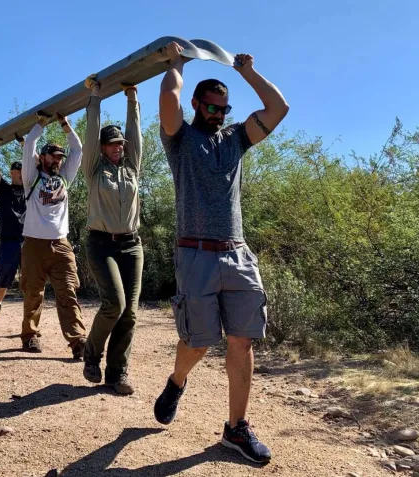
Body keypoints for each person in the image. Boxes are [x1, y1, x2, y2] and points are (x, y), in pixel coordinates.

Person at [153, 42, 289, 464]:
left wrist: (248, 71)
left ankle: (235, 429)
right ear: (198, 104)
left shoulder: (236, 139)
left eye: (223, 109)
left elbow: (278, 107)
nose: (217, 115)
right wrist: (176, 63)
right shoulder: (179, 139)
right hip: (195, 255)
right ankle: (177, 381)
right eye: (211, 107)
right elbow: (169, 98)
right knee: (197, 342)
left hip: (237, 253)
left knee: (243, 340)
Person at [80, 82, 143, 395]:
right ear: (103, 147)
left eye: (120, 142)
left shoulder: (132, 167)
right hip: (102, 243)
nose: (117, 146)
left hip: (132, 245)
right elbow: (90, 135)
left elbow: (137, 134)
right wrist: (95, 98)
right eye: (111, 143)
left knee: (129, 313)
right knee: (114, 304)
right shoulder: (93, 169)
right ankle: (91, 354)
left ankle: (117, 375)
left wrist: (132, 99)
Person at [19, 112, 86, 358]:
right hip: (34, 244)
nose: (58, 160)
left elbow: (77, 150)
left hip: (61, 244)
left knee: (68, 291)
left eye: (60, 157)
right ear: (44, 157)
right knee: (33, 293)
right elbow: (29, 144)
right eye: (54, 156)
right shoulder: (31, 178)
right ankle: (30, 336)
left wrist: (65, 124)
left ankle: (78, 341)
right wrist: (42, 122)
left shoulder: (64, 178)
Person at [0, 138, 26, 331]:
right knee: (2, 284)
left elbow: (37, 164)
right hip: (9, 243)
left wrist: (25, 143)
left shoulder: (32, 189)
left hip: (30, 242)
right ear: (12, 172)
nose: (23, 172)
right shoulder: (4, 190)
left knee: (32, 284)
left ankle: (30, 323)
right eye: (19, 170)